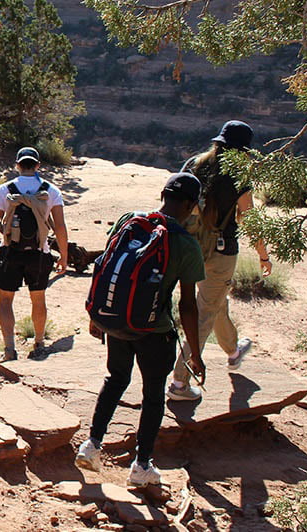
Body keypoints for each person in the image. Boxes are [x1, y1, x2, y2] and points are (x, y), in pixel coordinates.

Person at [74, 173, 207, 487]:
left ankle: (91, 445)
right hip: (154, 331)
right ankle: (142, 465)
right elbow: (188, 305)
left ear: (162, 194)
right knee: (152, 396)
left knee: (116, 379)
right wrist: (196, 352)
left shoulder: (129, 221)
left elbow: (106, 268)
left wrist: (98, 316)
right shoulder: (186, 244)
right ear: (191, 205)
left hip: (118, 323)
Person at [168, 121, 273, 401]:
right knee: (205, 312)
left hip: (188, 247)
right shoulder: (239, 176)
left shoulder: (195, 164)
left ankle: (233, 351)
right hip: (220, 251)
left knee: (215, 303)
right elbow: (250, 218)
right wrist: (263, 255)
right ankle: (179, 382)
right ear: (243, 150)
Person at [0, 147, 69, 361]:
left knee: (5, 300)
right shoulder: (51, 191)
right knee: (38, 299)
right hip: (40, 253)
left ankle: (9, 349)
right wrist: (64, 257)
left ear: (18, 165)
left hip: (10, 251)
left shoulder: (5, 189)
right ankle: (39, 342)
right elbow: (60, 227)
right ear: (38, 165)